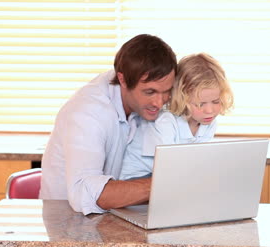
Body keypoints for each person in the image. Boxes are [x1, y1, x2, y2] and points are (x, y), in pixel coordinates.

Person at [40, 34, 177, 215]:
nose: (159, 103)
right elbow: (85, 194)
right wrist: (168, 183)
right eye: (149, 92)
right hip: (68, 223)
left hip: (108, 218)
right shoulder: (88, 114)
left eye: (166, 92)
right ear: (122, 79)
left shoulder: (138, 100)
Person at [119, 53, 234, 180]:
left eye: (216, 101)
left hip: (168, 174)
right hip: (137, 178)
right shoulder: (166, 121)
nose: (210, 110)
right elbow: (169, 165)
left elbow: (197, 160)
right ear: (182, 98)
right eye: (200, 104)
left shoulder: (208, 122)